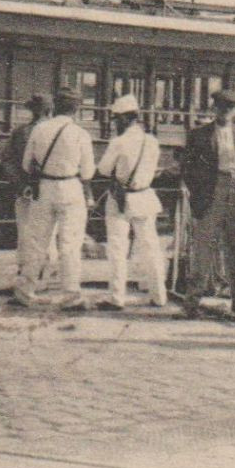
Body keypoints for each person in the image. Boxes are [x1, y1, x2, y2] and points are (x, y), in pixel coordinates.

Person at [180, 88, 235, 317]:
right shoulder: (199, 134)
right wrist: (199, 194)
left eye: (230, 109)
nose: (225, 113)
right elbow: (188, 168)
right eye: (221, 108)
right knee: (203, 247)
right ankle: (192, 303)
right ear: (214, 109)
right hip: (211, 192)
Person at [16, 88, 93, 310]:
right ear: (76, 109)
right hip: (71, 188)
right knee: (70, 244)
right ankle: (71, 295)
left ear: (55, 107)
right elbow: (87, 173)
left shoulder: (39, 129)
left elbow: (25, 165)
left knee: (37, 241)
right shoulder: (80, 134)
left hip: (44, 188)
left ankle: (25, 290)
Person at [98, 94, 165, 310]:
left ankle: (117, 298)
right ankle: (159, 296)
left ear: (125, 119)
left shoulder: (118, 142)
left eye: (116, 119)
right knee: (151, 247)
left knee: (117, 248)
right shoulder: (152, 141)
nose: (115, 124)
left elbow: (104, 170)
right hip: (145, 197)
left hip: (120, 199)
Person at [3, 94, 54, 296]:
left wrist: (20, 184)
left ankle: (26, 277)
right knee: (49, 236)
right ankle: (44, 276)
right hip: (50, 191)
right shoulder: (57, 132)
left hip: (26, 192)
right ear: (49, 111)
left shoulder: (21, 132)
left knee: (25, 234)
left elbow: (7, 160)